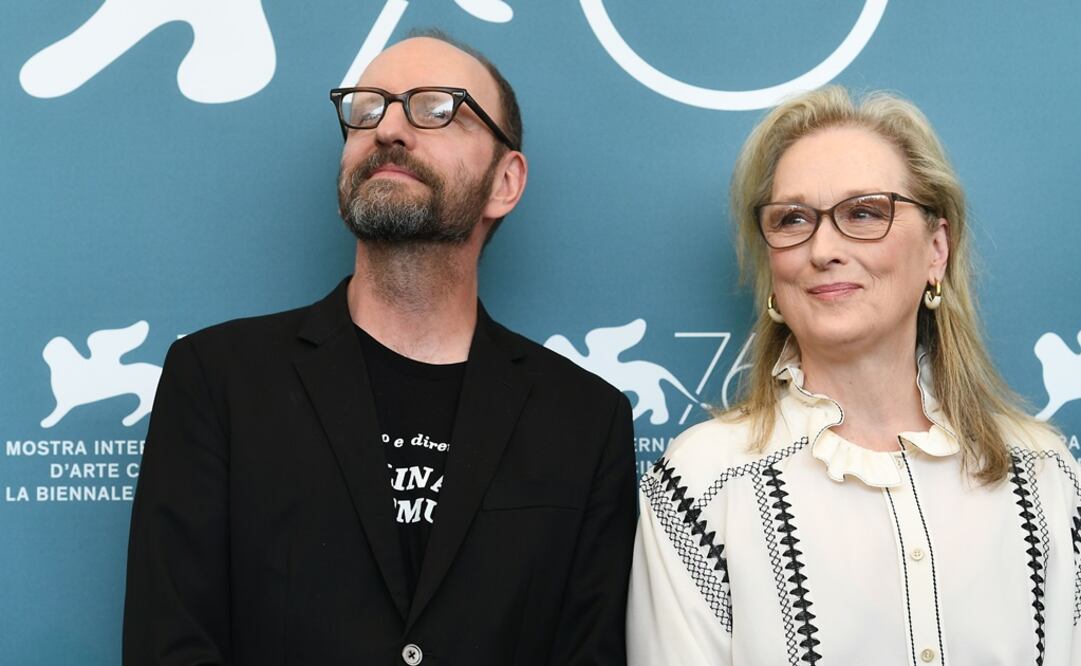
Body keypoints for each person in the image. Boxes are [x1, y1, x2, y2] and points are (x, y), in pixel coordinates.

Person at [123, 33, 636, 666]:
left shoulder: (584, 419)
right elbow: (169, 645)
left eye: (436, 108)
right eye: (368, 108)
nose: (388, 128)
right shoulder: (217, 381)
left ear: (505, 181)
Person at [627, 86, 1081, 665]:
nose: (823, 248)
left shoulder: (1046, 476)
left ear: (936, 248)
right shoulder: (701, 483)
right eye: (792, 219)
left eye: (864, 212)